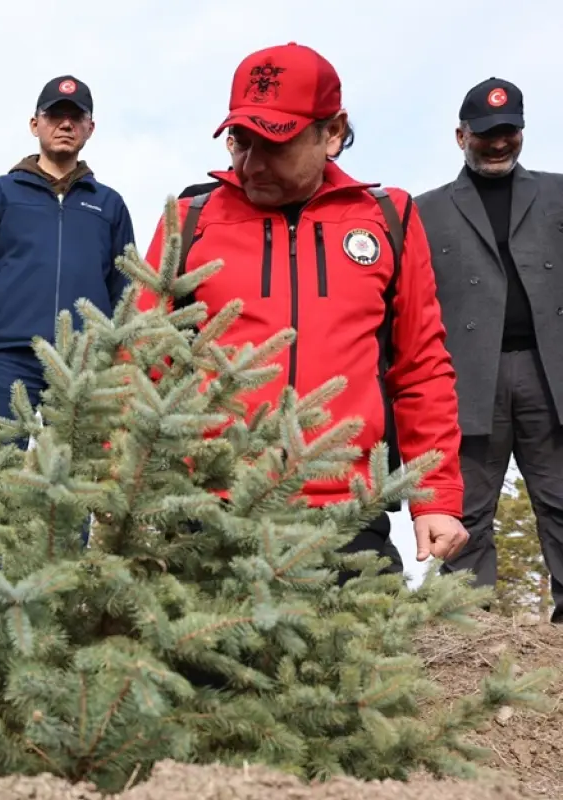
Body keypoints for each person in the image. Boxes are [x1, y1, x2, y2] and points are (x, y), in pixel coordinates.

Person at [137, 42, 469, 575]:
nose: (251, 163)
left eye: (275, 142)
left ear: (332, 132)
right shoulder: (190, 221)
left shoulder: (388, 219)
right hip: (211, 510)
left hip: (350, 515)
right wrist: (122, 487)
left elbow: (421, 369)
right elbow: (138, 360)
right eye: (240, 141)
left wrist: (435, 497)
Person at [416, 78, 563, 623]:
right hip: (464, 381)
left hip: (552, 378)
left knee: (560, 501)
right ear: (461, 136)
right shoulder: (423, 211)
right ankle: (468, 632)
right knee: (465, 512)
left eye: (508, 132)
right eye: (485, 135)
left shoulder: (558, 193)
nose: (498, 143)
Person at [0, 75, 135, 488]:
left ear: (90, 127)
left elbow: (126, 289)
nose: (65, 124)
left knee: (72, 487)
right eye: (55, 115)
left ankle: (67, 557)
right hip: (7, 357)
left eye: (76, 117)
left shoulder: (108, 205)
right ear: (35, 124)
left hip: (83, 365)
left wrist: (118, 362)